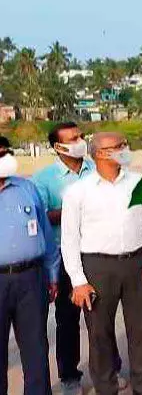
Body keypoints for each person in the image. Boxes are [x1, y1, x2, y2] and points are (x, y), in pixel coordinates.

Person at [61, 132, 142, 395]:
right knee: (99, 334)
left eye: (124, 145)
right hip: (97, 267)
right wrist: (78, 281)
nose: (124, 150)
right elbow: (70, 239)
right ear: (99, 154)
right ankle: (106, 388)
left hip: (137, 262)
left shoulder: (139, 182)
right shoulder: (78, 192)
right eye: (117, 147)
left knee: (140, 330)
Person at [32, 122, 127, 394]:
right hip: (64, 257)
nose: (80, 141)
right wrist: (75, 208)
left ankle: (110, 369)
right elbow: (43, 218)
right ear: (57, 147)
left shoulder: (96, 169)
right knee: (68, 319)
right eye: (73, 139)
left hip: (97, 253)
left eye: (81, 136)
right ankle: (70, 377)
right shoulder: (44, 179)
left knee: (101, 318)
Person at [0, 135, 60, 395]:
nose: (5, 159)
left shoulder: (27, 188)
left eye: (6, 153)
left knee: (36, 347)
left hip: (31, 278)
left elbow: (46, 234)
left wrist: (53, 273)